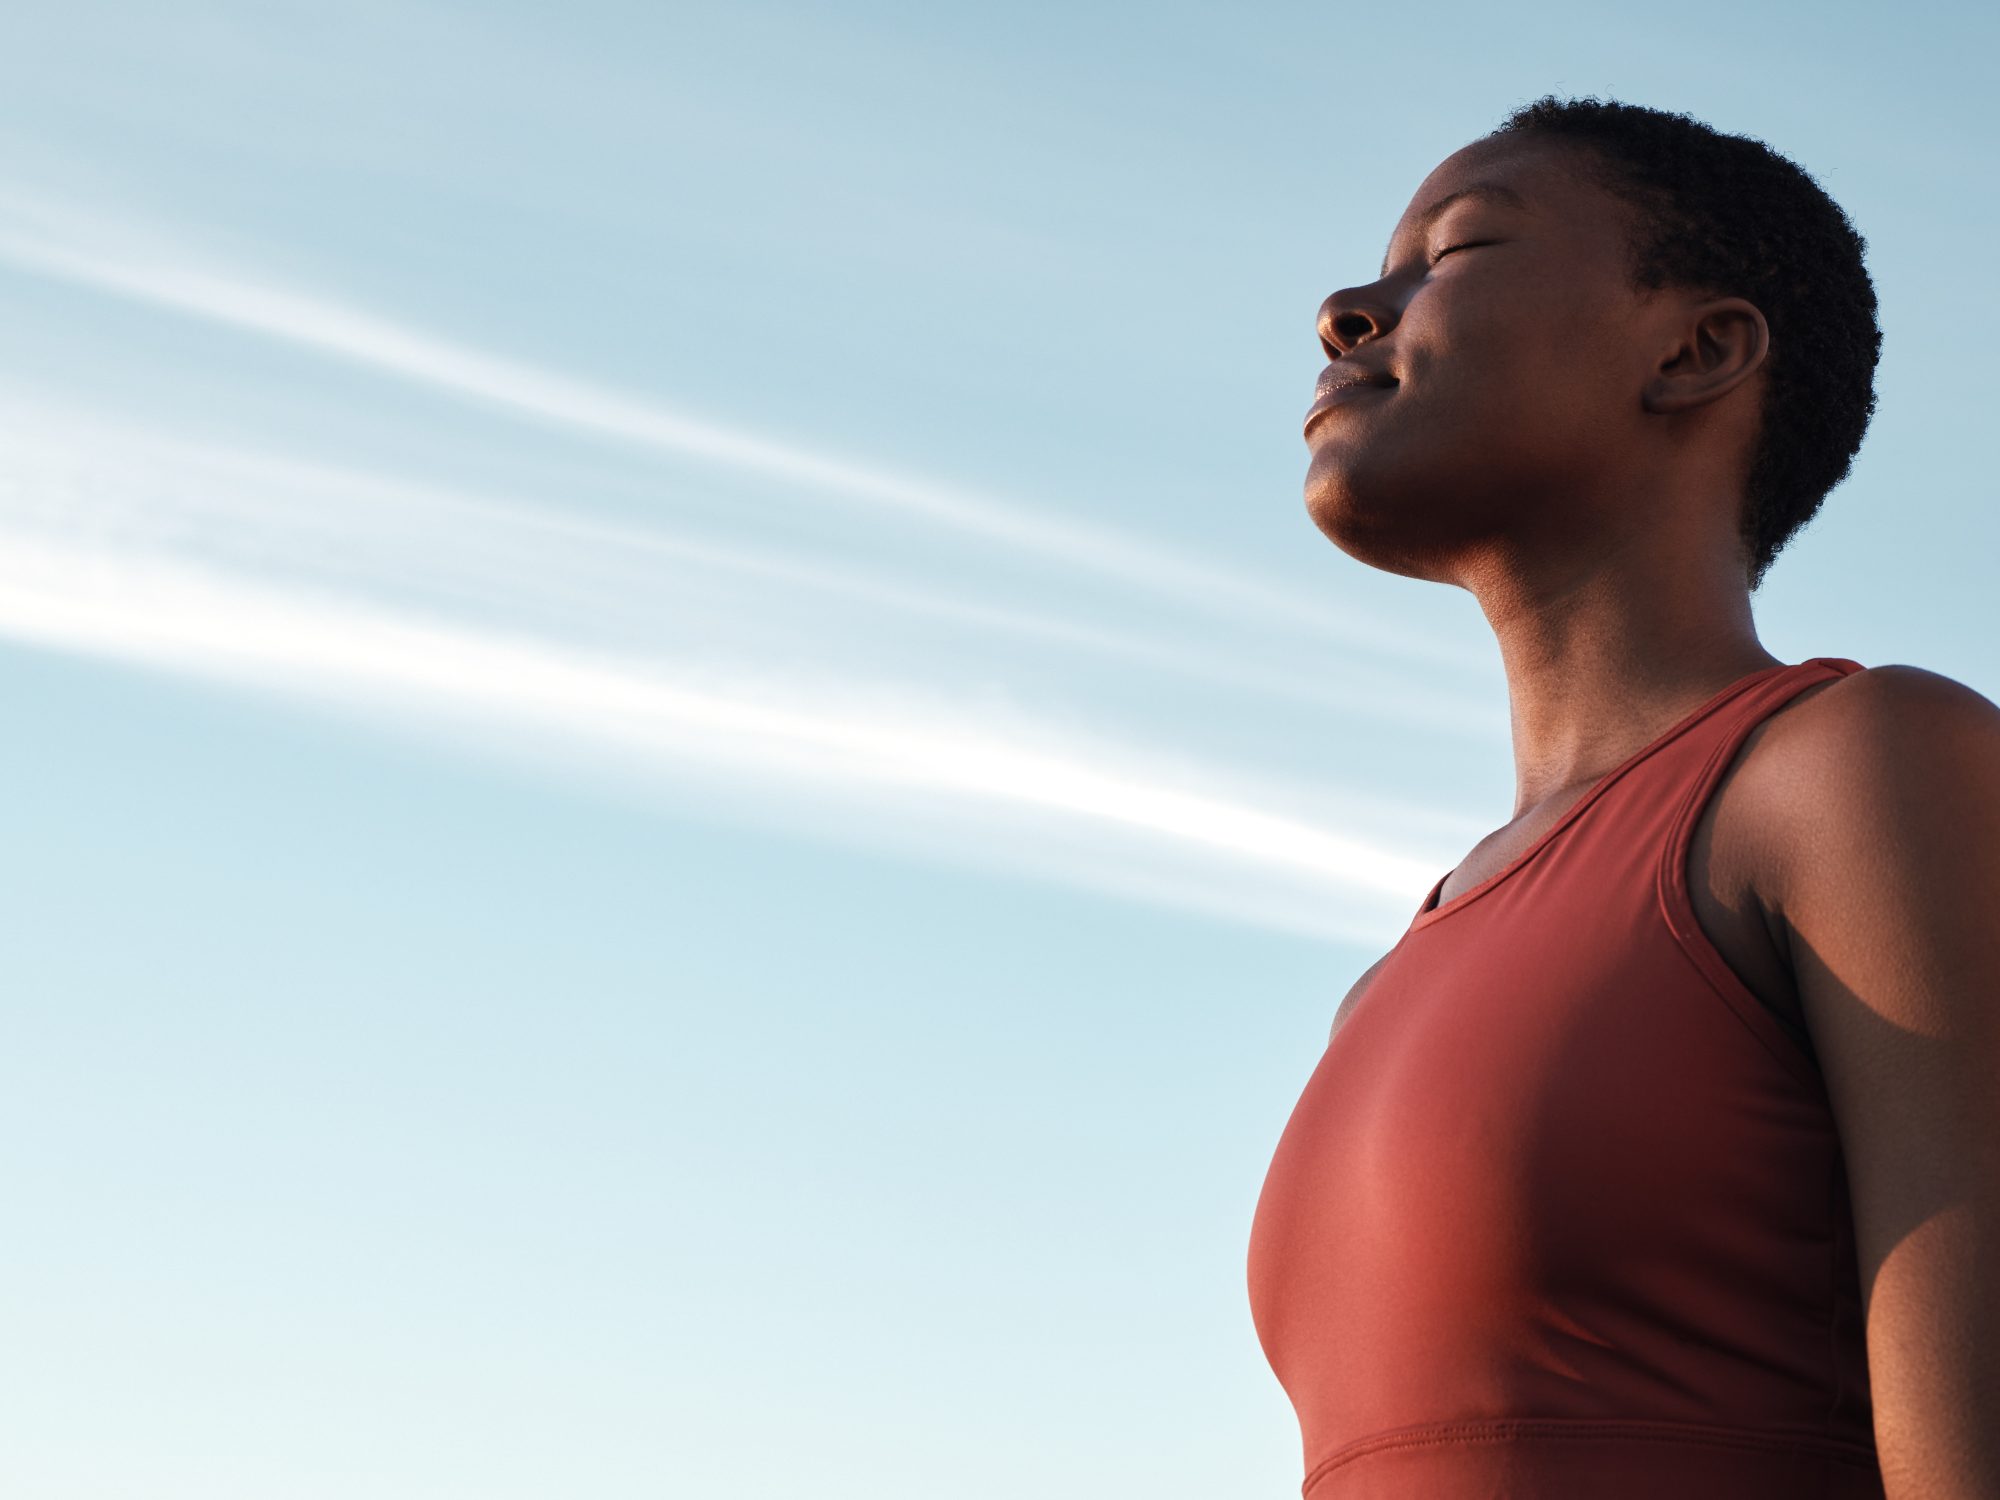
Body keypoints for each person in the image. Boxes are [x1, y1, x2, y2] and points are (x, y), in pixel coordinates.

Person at [1246, 95, 1999, 1500]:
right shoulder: (1395, 972)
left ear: (1697, 350)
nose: (1349, 309)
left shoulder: (1862, 773)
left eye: (1454, 252)